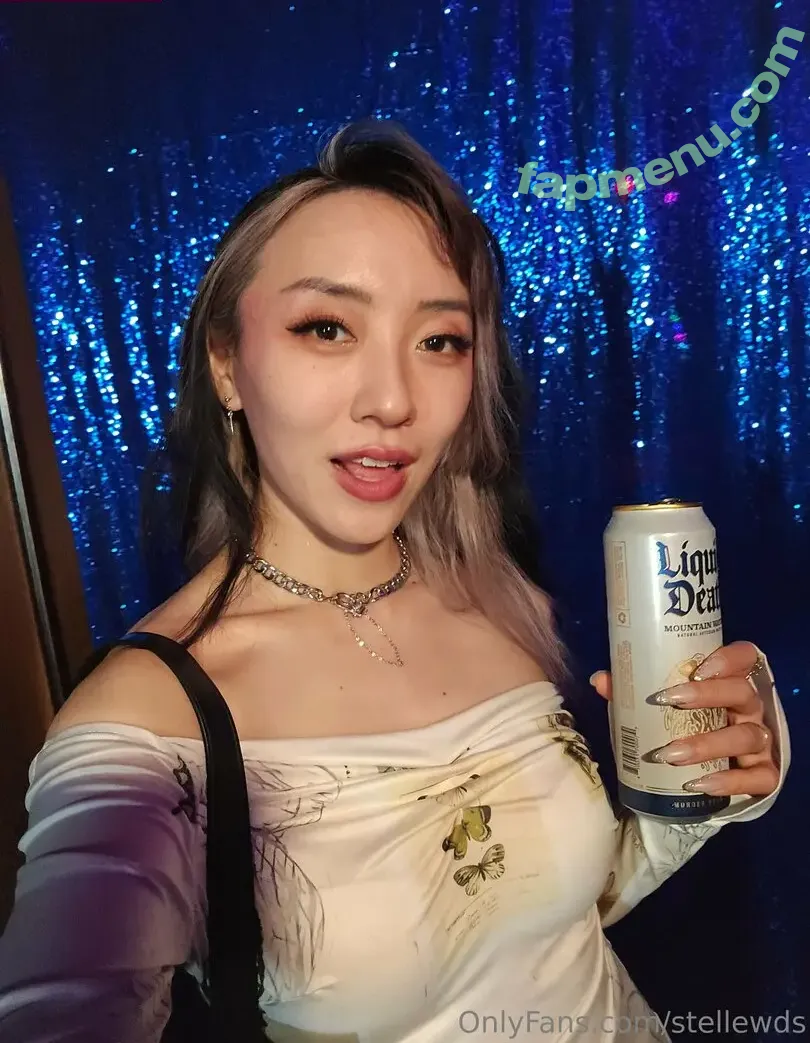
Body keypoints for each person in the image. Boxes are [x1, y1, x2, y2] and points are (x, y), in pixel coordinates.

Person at [0, 119, 789, 1043]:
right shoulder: (146, 719)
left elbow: (551, 918)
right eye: (327, 327)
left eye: (441, 340)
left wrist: (699, 781)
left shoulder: (493, 599)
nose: (394, 400)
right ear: (226, 364)